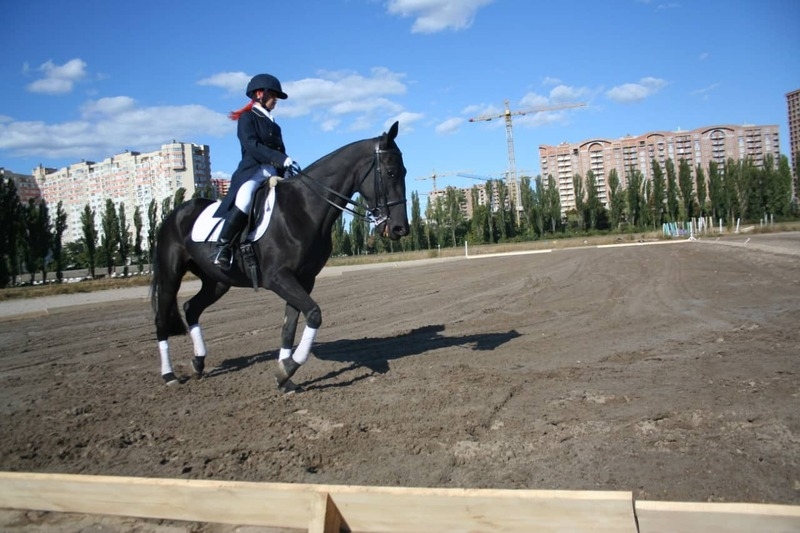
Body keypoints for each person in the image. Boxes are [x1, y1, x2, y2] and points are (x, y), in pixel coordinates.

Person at [212, 73, 298, 270]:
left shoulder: (274, 125)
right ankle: (223, 247)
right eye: (273, 95)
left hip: (274, 172)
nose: (275, 99)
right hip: (253, 171)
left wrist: (286, 165)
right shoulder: (247, 118)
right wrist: (279, 158)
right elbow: (252, 146)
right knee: (245, 198)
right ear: (260, 94)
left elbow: (280, 151)